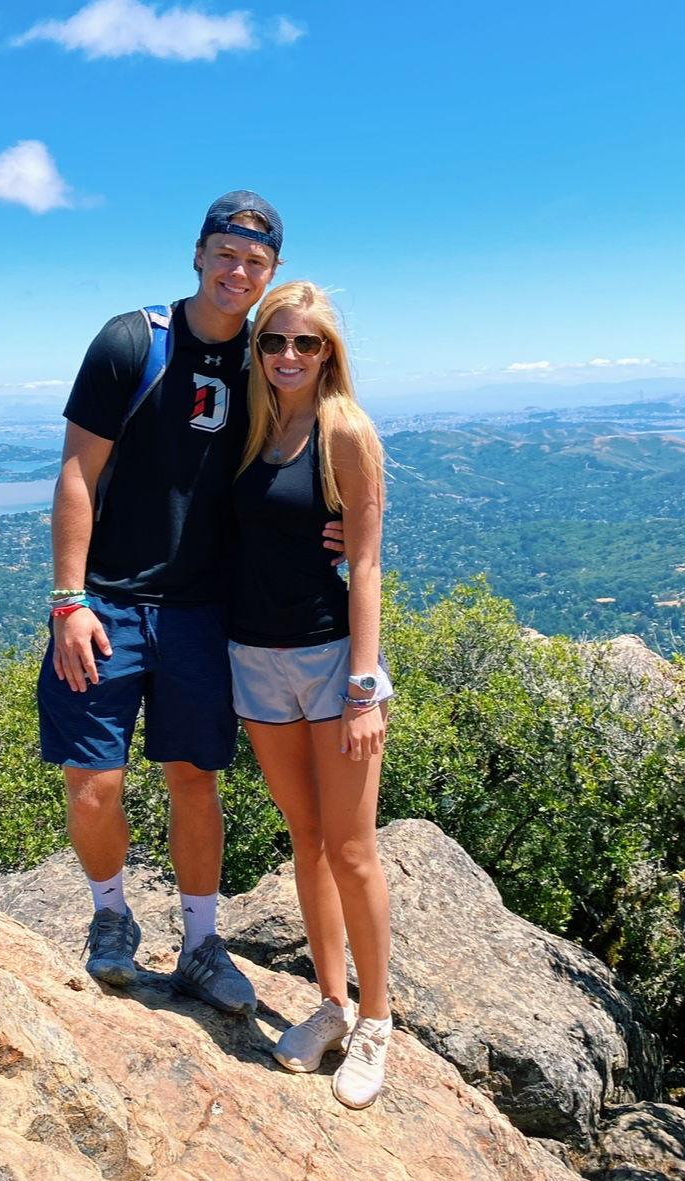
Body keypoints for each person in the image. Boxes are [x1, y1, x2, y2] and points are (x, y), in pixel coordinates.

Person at [37, 192, 340, 1015]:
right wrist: (69, 600)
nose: (237, 271)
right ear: (198, 255)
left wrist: (341, 530)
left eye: (255, 261)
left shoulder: (263, 359)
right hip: (105, 602)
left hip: (204, 610)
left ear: (270, 271)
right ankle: (111, 920)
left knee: (192, 776)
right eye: (225, 253)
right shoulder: (132, 342)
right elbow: (76, 472)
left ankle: (203, 943)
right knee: (92, 779)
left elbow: (305, 449)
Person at [228, 280, 393, 1108]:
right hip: (255, 660)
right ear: (257, 352)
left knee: (351, 847)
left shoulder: (342, 431)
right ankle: (329, 1002)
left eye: (306, 343)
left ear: (329, 351)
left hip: (332, 662)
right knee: (305, 840)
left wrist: (364, 687)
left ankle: (375, 1020)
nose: (289, 356)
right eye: (274, 342)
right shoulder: (254, 430)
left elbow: (363, 563)